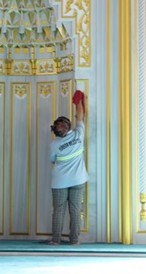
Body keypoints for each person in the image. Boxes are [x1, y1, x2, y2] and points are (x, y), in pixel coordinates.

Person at [44, 90, 88, 246]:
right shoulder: (78, 134)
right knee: (76, 211)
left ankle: (55, 240)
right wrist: (78, 102)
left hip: (59, 182)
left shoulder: (54, 144)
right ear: (69, 127)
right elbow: (80, 116)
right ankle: (75, 240)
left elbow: (52, 160)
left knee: (59, 211)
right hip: (78, 180)